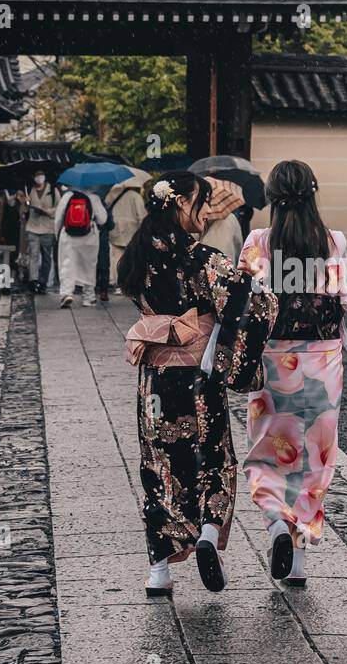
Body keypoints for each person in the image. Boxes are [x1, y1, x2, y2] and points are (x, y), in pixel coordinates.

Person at [118, 172, 277, 598]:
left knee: (158, 464)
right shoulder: (202, 258)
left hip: (154, 376)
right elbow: (251, 304)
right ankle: (207, 534)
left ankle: (158, 571)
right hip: (197, 378)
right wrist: (249, 281)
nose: (207, 212)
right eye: (202, 203)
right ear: (180, 204)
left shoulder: (137, 257)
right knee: (211, 457)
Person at [239, 160, 347, 587]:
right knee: (313, 457)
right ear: (314, 192)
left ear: (271, 197)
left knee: (269, 449)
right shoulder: (333, 241)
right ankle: (299, 559)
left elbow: (246, 306)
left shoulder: (257, 242)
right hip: (322, 361)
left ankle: (274, 524)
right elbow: (342, 299)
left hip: (273, 359)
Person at [55, 185, 107, 308]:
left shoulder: (67, 196)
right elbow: (102, 220)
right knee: (89, 266)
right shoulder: (94, 197)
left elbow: (58, 218)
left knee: (67, 265)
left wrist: (58, 235)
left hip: (68, 236)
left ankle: (66, 293)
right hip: (89, 236)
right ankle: (88, 297)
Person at [106, 177, 147, 290]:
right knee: (132, 258)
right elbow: (142, 216)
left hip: (115, 229)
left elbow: (107, 205)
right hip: (132, 231)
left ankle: (117, 283)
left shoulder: (113, 193)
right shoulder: (136, 196)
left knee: (116, 257)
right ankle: (130, 282)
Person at [25, 171, 59, 294]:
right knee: (33, 255)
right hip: (33, 226)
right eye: (36, 175)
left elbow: (59, 207)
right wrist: (25, 201)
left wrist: (47, 211)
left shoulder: (53, 190)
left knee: (46, 256)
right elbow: (25, 210)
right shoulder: (29, 190)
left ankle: (43, 281)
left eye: (41, 175)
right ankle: (33, 281)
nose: (39, 178)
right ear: (33, 177)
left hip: (47, 228)